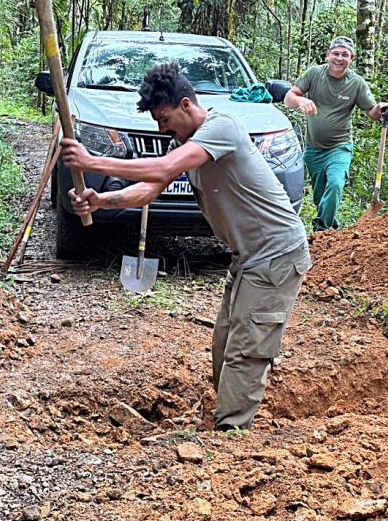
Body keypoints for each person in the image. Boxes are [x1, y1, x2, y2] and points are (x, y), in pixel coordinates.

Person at [60, 63, 311, 431]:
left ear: (187, 104)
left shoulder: (221, 128)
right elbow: (150, 189)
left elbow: (161, 169)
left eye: (165, 119)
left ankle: (231, 435)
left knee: (246, 350)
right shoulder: (189, 144)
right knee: (224, 347)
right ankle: (229, 418)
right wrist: (102, 200)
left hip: (277, 254)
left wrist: (92, 160)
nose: (163, 129)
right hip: (248, 258)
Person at [284, 37, 388, 231]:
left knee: (334, 184)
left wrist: (380, 109)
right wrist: (300, 101)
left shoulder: (357, 84)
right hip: (313, 148)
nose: (339, 58)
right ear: (328, 55)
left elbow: (372, 113)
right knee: (319, 197)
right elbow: (288, 98)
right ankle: (332, 233)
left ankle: (321, 231)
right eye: (335, 53)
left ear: (352, 59)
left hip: (339, 147)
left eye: (345, 55)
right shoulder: (315, 74)